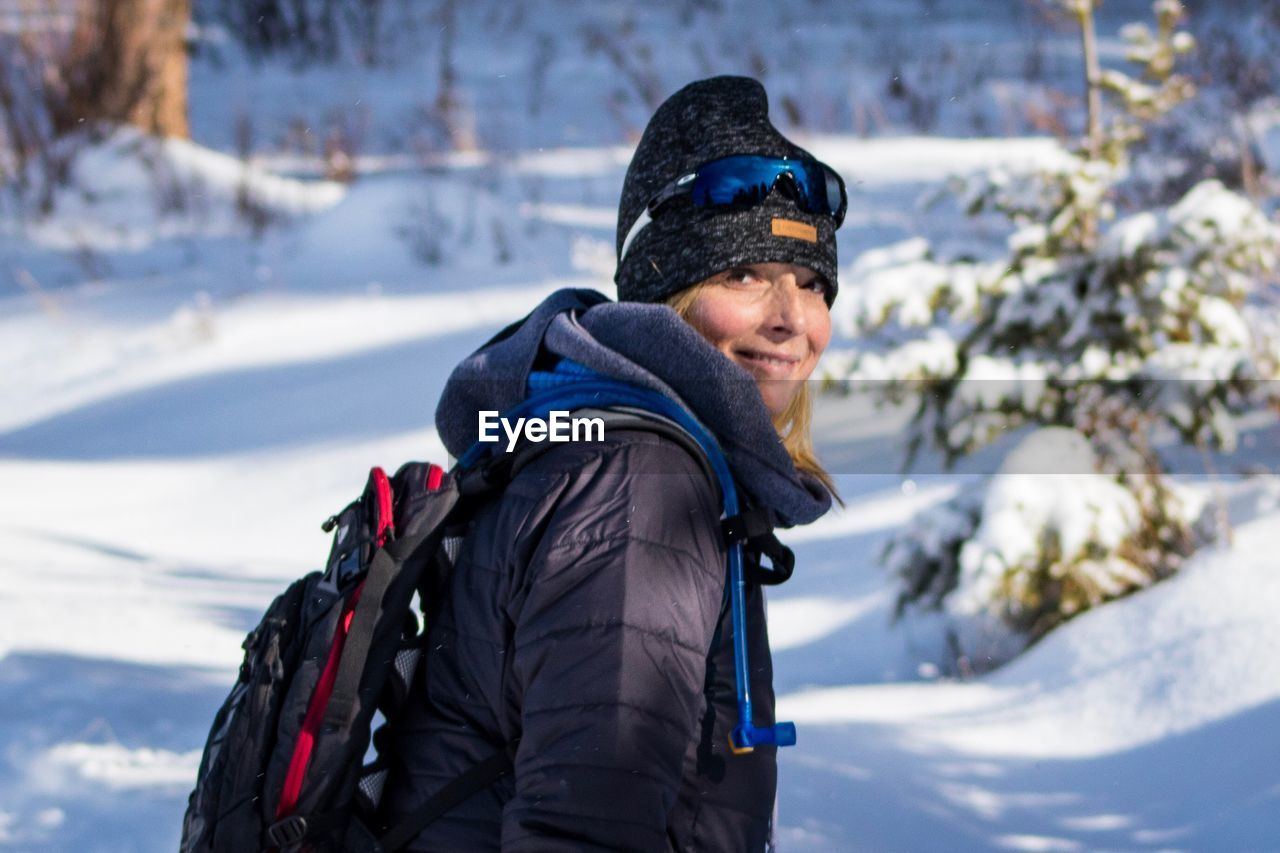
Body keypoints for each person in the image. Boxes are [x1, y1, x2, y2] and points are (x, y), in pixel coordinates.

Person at [380, 75, 844, 851]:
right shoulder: (638, 487)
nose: (791, 320)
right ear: (668, 291)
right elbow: (585, 830)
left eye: (810, 284)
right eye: (744, 276)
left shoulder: (591, 441)